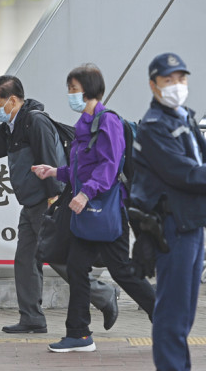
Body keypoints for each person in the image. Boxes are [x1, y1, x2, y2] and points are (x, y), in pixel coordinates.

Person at [0, 75, 119, 334]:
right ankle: (32, 318)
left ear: (13, 100)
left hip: (46, 203)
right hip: (30, 205)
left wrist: (53, 204)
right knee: (25, 260)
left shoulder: (35, 122)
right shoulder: (11, 127)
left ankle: (103, 295)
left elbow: (50, 160)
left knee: (58, 257)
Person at [32, 64, 155, 353]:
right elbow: (81, 168)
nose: (70, 94)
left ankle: (166, 318)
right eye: (69, 89)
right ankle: (79, 334)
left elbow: (109, 166)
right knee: (76, 267)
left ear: (88, 89)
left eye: (73, 89)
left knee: (122, 270)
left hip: (105, 209)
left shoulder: (106, 121)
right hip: (88, 213)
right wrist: (54, 172)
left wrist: (86, 194)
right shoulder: (84, 124)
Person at [130, 53, 206, 370]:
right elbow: (185, 173)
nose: (177, 86)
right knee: (172, 311)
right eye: (169, 80)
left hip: (191, 223)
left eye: (181, 79)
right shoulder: (154, 127)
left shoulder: (184, 118)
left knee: (185, 311)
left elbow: (204, 166)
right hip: (172, 227)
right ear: (153, 85)